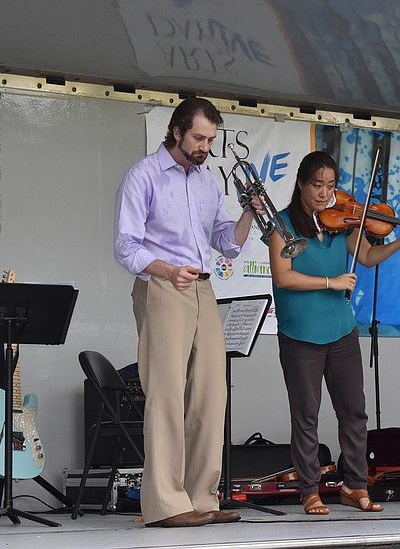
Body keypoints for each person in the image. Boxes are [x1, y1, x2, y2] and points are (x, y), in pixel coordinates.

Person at [114, 97, 251, 528]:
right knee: (167, 395)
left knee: (212, 394)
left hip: (203, 289)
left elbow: (227, 242)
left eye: (211, 139)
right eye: (198, 137)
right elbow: (126, 246)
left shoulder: (208, 182)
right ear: (176, 131)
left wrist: (251, 212)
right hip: (161, 285)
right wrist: (168, 270)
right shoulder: (143, 175)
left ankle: (202, 499)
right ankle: (166, 505)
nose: (205, 146)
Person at [266, 151, 400, 515]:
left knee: (354, 412)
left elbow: (367, 257)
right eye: (317, 185)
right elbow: (282, 276)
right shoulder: (282, 223)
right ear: (302, 185)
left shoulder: (344, 224)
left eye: (331, 186)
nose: (325, 194)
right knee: (305, 414)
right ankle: (309, 490)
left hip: (340, 330)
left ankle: (355, 485)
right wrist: (330, 281)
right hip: (300, 331)